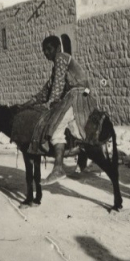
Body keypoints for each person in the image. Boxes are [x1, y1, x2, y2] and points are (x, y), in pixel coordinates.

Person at [26, 35, 93, 185]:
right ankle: (83, 158)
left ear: (57, 48)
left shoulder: (61, 58)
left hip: (78, 94)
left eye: (48, 49)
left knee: (56, 126)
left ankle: (58, 169)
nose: (46, 53)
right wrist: (30, 102)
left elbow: (57, 85)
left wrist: (52, 102)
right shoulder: (58, 65)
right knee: (74, 129)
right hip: (83, 94)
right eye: (44, 50)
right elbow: (48, 88)